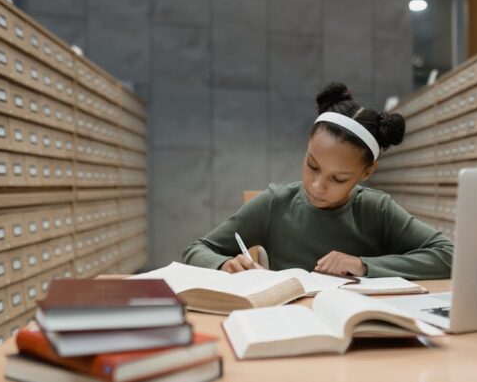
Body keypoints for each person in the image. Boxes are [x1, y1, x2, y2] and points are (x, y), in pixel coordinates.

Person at [182, 82, 453, 280]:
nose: (317, 186)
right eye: (312, 166)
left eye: (338, 178)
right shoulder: (276, 204)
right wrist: (224, 265)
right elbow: (196, 250)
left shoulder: (377, 209)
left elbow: (449, 255)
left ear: (366, 173)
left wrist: (364, 265)